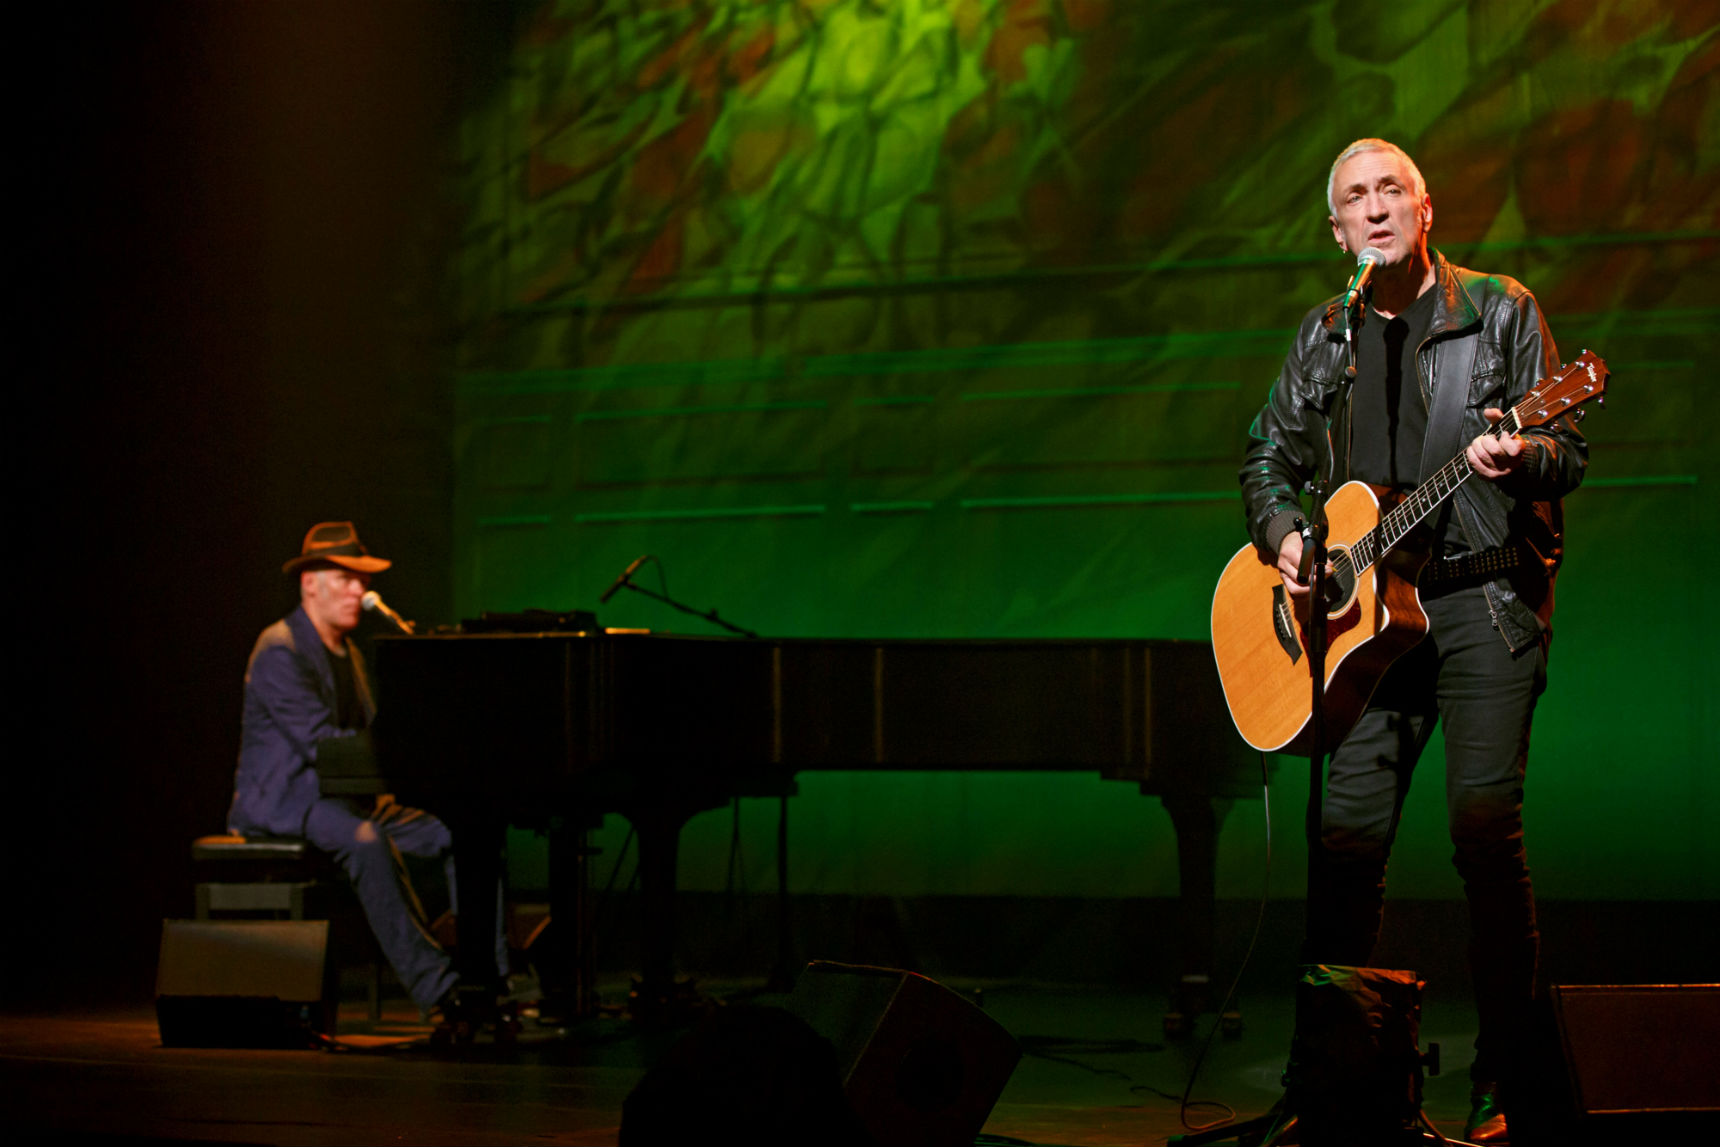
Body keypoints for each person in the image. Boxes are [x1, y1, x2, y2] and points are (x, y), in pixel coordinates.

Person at [1238, 139, 1587, 1142]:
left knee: (1483, 829)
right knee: (1344, 843)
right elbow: (1267, 457)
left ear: (1424, 209)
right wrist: (1288, 536)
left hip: (1481, 601)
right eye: (1356, 197)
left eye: (1392, 189)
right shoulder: (1327, 335)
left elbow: (1566, 451)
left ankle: (1504, 1078)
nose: (1376, 207)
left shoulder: (1500, 310)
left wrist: (1519, 452)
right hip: (1365, 626)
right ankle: (1330, 1081)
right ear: (1337, 230)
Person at [227, 521, 507, 1019]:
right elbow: (320, 744)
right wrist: (396, 757)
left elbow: (369, 733)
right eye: (346, 578)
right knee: (366, 841)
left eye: (362, 579)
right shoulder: (279, 648)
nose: (359, 590)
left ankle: (492, 977)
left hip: (343, 797)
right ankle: (441, 990)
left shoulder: (350, 652)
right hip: (290, 799)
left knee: (459, 831)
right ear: (310, 583)